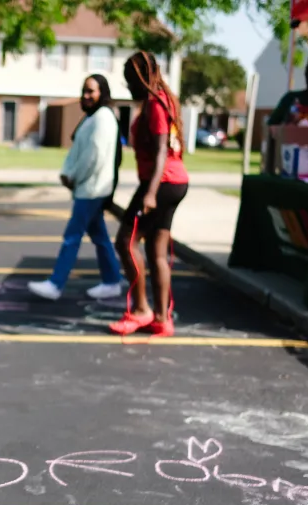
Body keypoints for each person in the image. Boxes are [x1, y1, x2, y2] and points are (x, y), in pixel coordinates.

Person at [109, 51, 189, 337]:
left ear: (144, 77)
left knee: (125, 242)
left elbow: (160, 154)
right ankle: (161, 318)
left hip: (161, 184)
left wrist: (150, 193)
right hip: (175, 181)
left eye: (131, 80)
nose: (129, 86)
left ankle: (141, 310)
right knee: (156, 250)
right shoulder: (165, 100)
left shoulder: (156, 104)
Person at [27, 74, 124, 301]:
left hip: (91, 189)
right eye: (85, 91)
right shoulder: (95, 117)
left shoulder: (102, 118)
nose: (87, 95)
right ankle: (112, 281)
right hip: (90, 188)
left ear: (103, 92)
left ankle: (56, 283)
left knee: (72, 236)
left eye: (92, 91)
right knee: (100, 237)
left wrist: (73, 177)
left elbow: (94, 156)